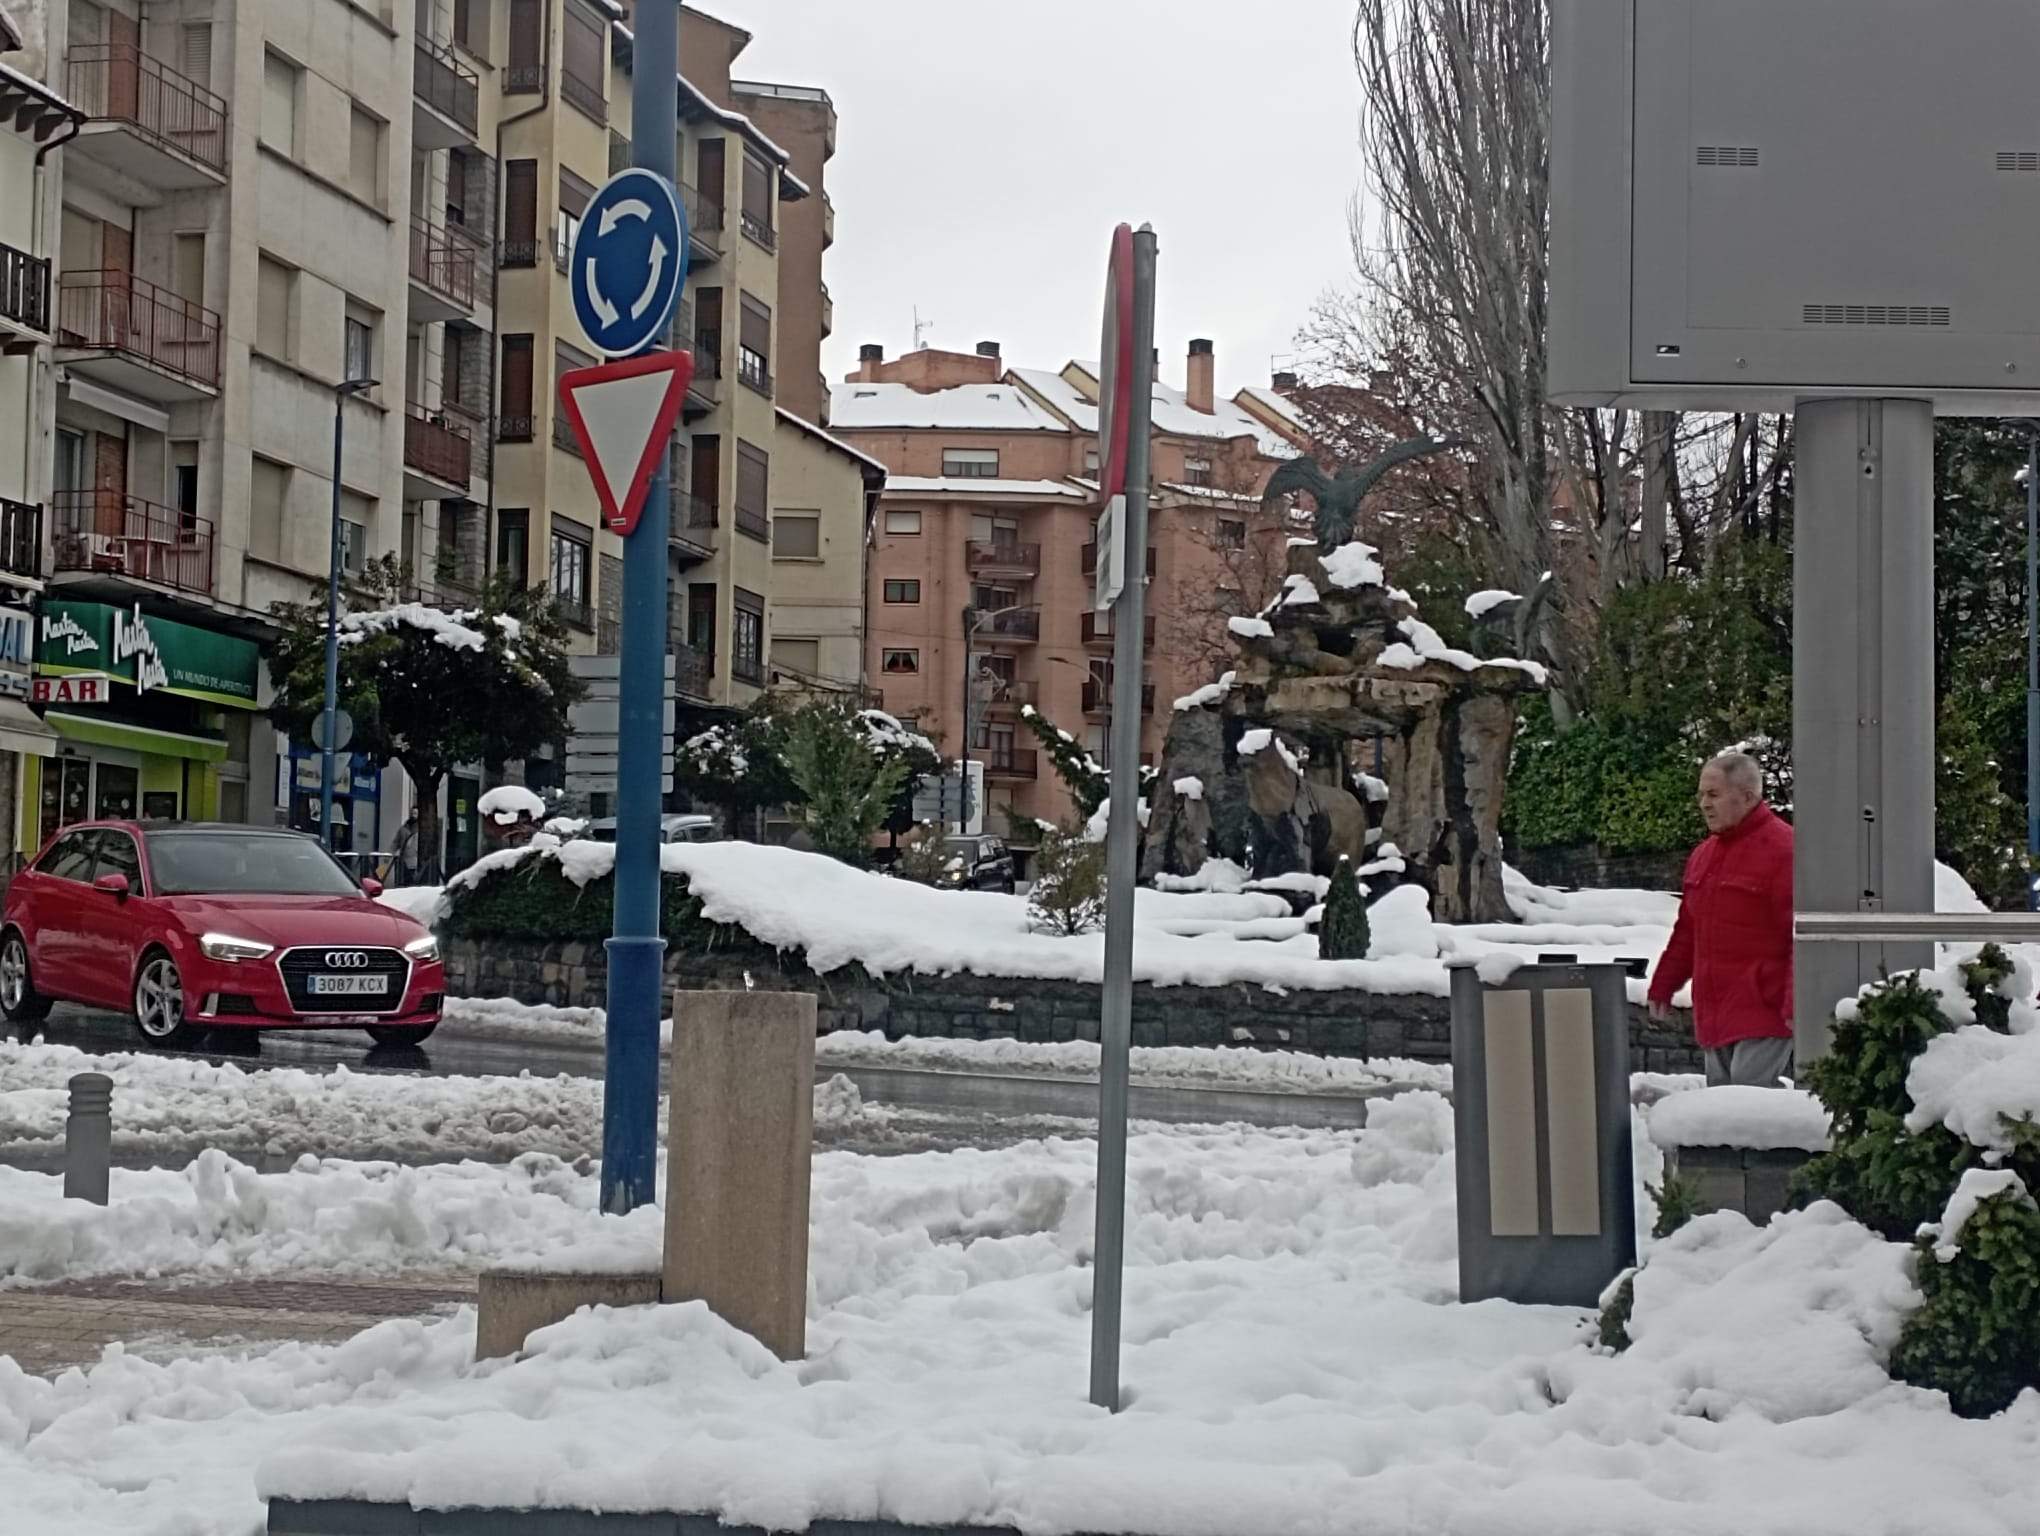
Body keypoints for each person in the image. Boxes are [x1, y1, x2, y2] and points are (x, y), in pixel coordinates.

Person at [1647, 751, 1795, 1088]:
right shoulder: (1703, 856)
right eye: (1701, 795)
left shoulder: (1784, 851)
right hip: (1715, 1013)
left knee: (1747, 1101)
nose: (1704, 804)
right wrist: (1664, 984)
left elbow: (1798, 935)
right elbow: (1688, 930)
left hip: (1764, 1008)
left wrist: (1794, 1003)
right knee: (1721, 1104)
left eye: (1713, 794)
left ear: (1747, 796)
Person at [389, 808, 424, 886]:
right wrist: (389, 854)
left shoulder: (422, 830)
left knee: (412, 883)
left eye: (415, 813)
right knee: (403, 883)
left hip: (415, 861)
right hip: (403, 861)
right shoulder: (403, 829)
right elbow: (396, 843)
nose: (413, 815)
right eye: (412, 813)